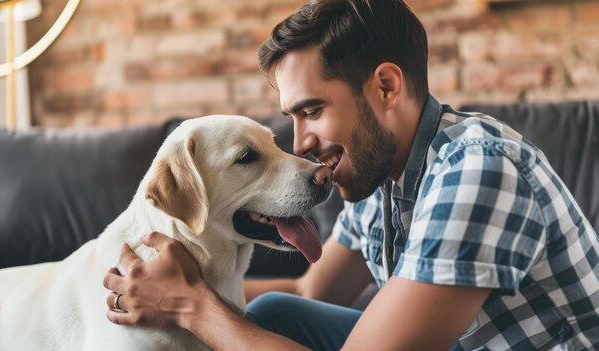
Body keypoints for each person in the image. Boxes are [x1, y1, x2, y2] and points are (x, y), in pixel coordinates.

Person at [102, 0, 599, 349]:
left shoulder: (478, 169)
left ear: (385, 87)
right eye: (292, 118)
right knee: (275, 312)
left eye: (312, 110)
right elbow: (308, 292)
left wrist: (190, 305)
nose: (299, 145)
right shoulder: (381, 176)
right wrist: (176, 284)